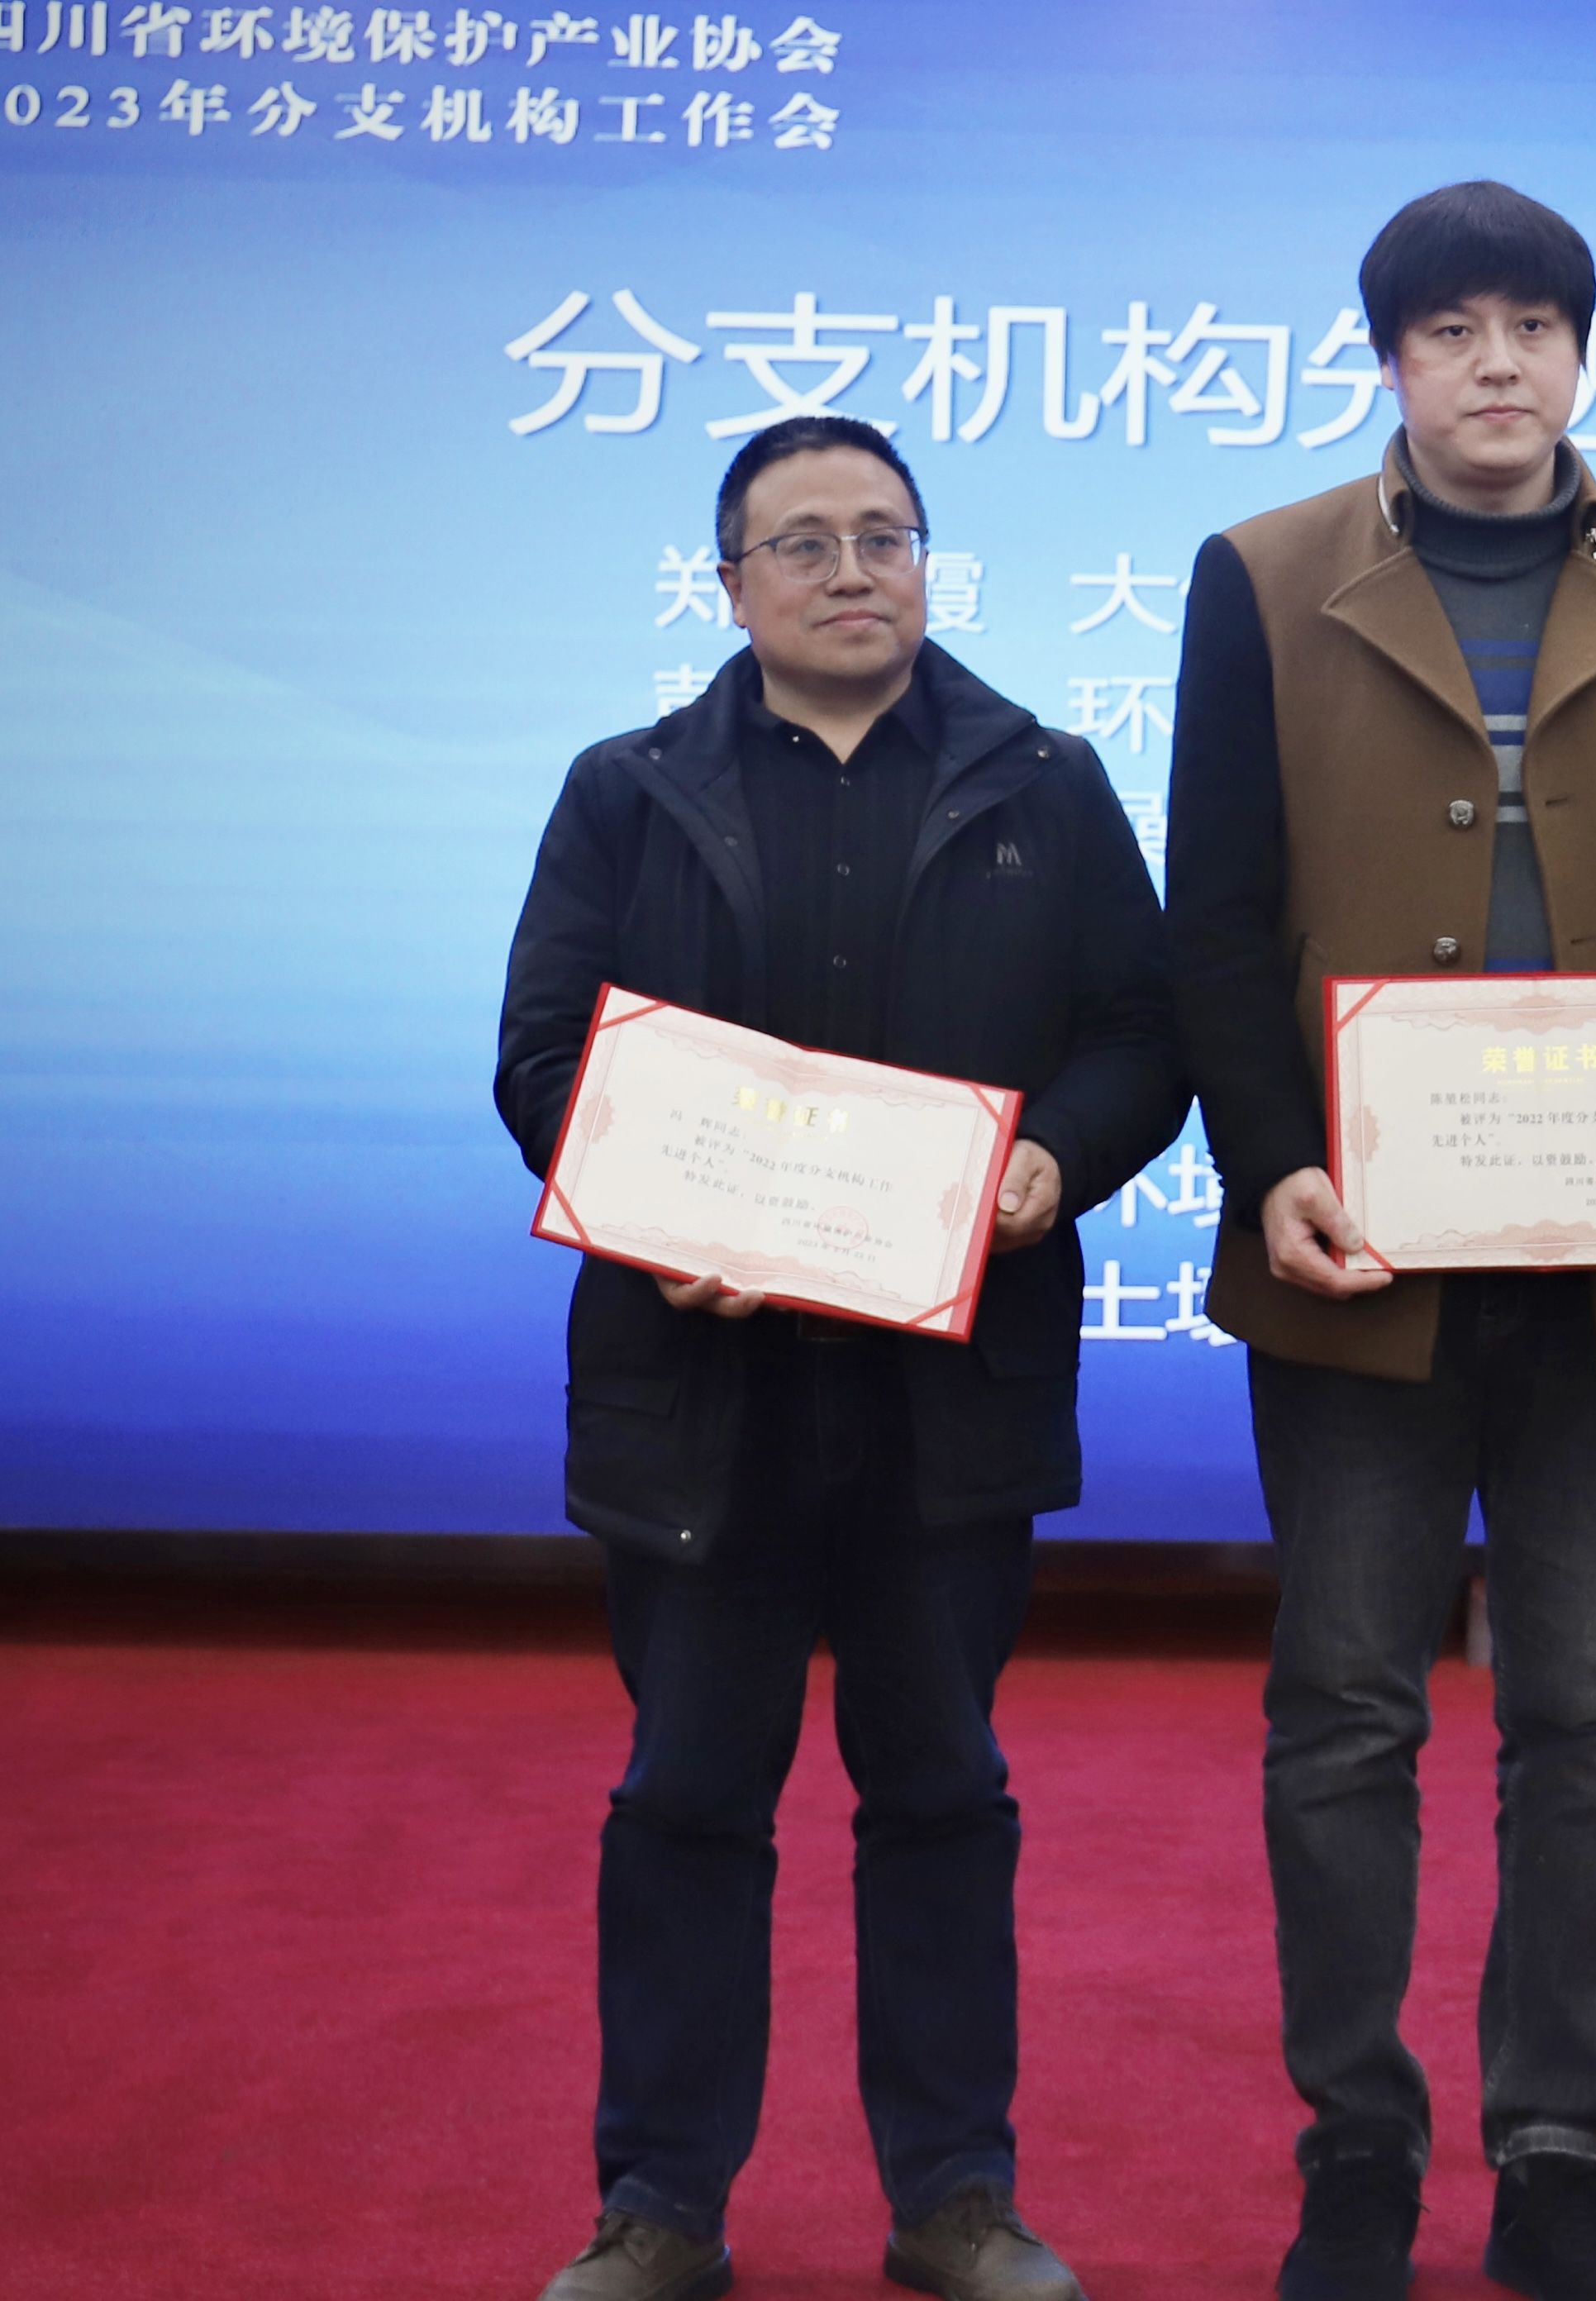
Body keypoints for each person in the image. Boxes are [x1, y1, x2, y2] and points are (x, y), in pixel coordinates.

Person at [1162, 181, 1596, 2301]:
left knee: (1586, 1714)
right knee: (1345, 1708)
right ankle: (1356, 2154)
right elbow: (1213, 910)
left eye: (1534, 325)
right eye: (1452, 331)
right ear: (1392, 361)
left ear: (1585, 354)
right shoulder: (1261, 574)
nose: (1497, 363)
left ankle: (1549, 2155)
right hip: (1359, 1246)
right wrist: (1271, 1162)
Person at [494, 415, 1184, 2301]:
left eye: (885, 533)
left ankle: (957, 2197)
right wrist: (654, 1215)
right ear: (730, 585)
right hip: (702, 1391)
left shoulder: (1047, 781)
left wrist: (1057, 1158)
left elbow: (1142, 1032)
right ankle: (660, 2207)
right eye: (802, 542)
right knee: (688, 1800)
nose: (851, 569)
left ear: (927, 562)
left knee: (944, 1793)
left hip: (945, 1393)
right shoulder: (628, 791)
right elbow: (546, 1058)